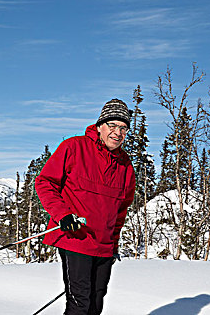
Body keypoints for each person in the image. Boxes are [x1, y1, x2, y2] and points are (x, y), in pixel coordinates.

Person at [35, 98, 136, 315]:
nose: (117, 133)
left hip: (104, 246)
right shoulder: (74, 147)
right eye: (112, 125)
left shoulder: (125, 166)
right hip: (75, 239)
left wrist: (114, 244)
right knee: (79, 305)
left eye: (123, 128)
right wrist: (63, 215)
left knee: (95, 305)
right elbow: (45, 182)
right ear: (100, 126)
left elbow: (121, 210)